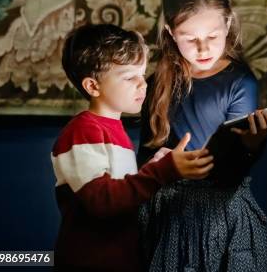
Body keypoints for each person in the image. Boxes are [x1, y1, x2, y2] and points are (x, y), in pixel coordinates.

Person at [137, 0, 267, 271]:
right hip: (170, 214)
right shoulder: (157, 84)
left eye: (212, 36)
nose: (203, 48)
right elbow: (145, 155)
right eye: (190, 39)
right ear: (170, 33)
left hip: (223, 214)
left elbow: (229, 174)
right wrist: (159, 163)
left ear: (228, 24)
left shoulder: (240, 82)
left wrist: (251, 145)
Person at [51, 23, 214, 272]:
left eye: (142, 73)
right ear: (93, 86)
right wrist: (163, 171)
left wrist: (152, 167)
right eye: (130, 77)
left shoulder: (116, 131)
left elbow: (122, 190)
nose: (143, 84)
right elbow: (103, 201)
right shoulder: (83, 131)